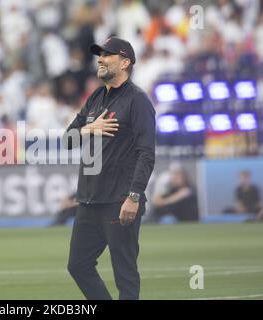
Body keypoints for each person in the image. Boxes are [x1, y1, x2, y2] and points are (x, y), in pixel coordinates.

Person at [62, 37, 156, 300]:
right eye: (99, 55)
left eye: (108, 55)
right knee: (78, 265)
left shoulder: (137, 101)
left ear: (125, 62)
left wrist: (134, 196)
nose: (100, 59)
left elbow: (146, 153)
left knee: (124, 274)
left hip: (120, 200)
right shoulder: (95, 97)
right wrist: (89, 128)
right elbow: (67, 141)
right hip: (90, 201)